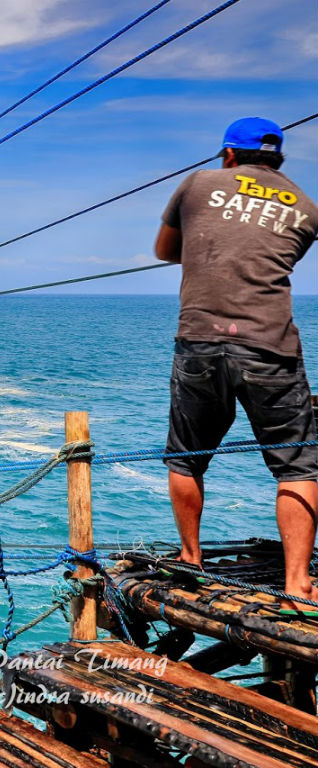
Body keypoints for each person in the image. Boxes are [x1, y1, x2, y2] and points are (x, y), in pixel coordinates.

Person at [156, 116, 318, 610]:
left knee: (187, 455)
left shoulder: (199, 183)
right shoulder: (308, 208)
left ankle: (190, 558)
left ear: (229, 154)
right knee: (298, 464)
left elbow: (165, 251)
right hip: (271, 345)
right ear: (279, 159)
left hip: (201, 340)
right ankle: (296, 583)